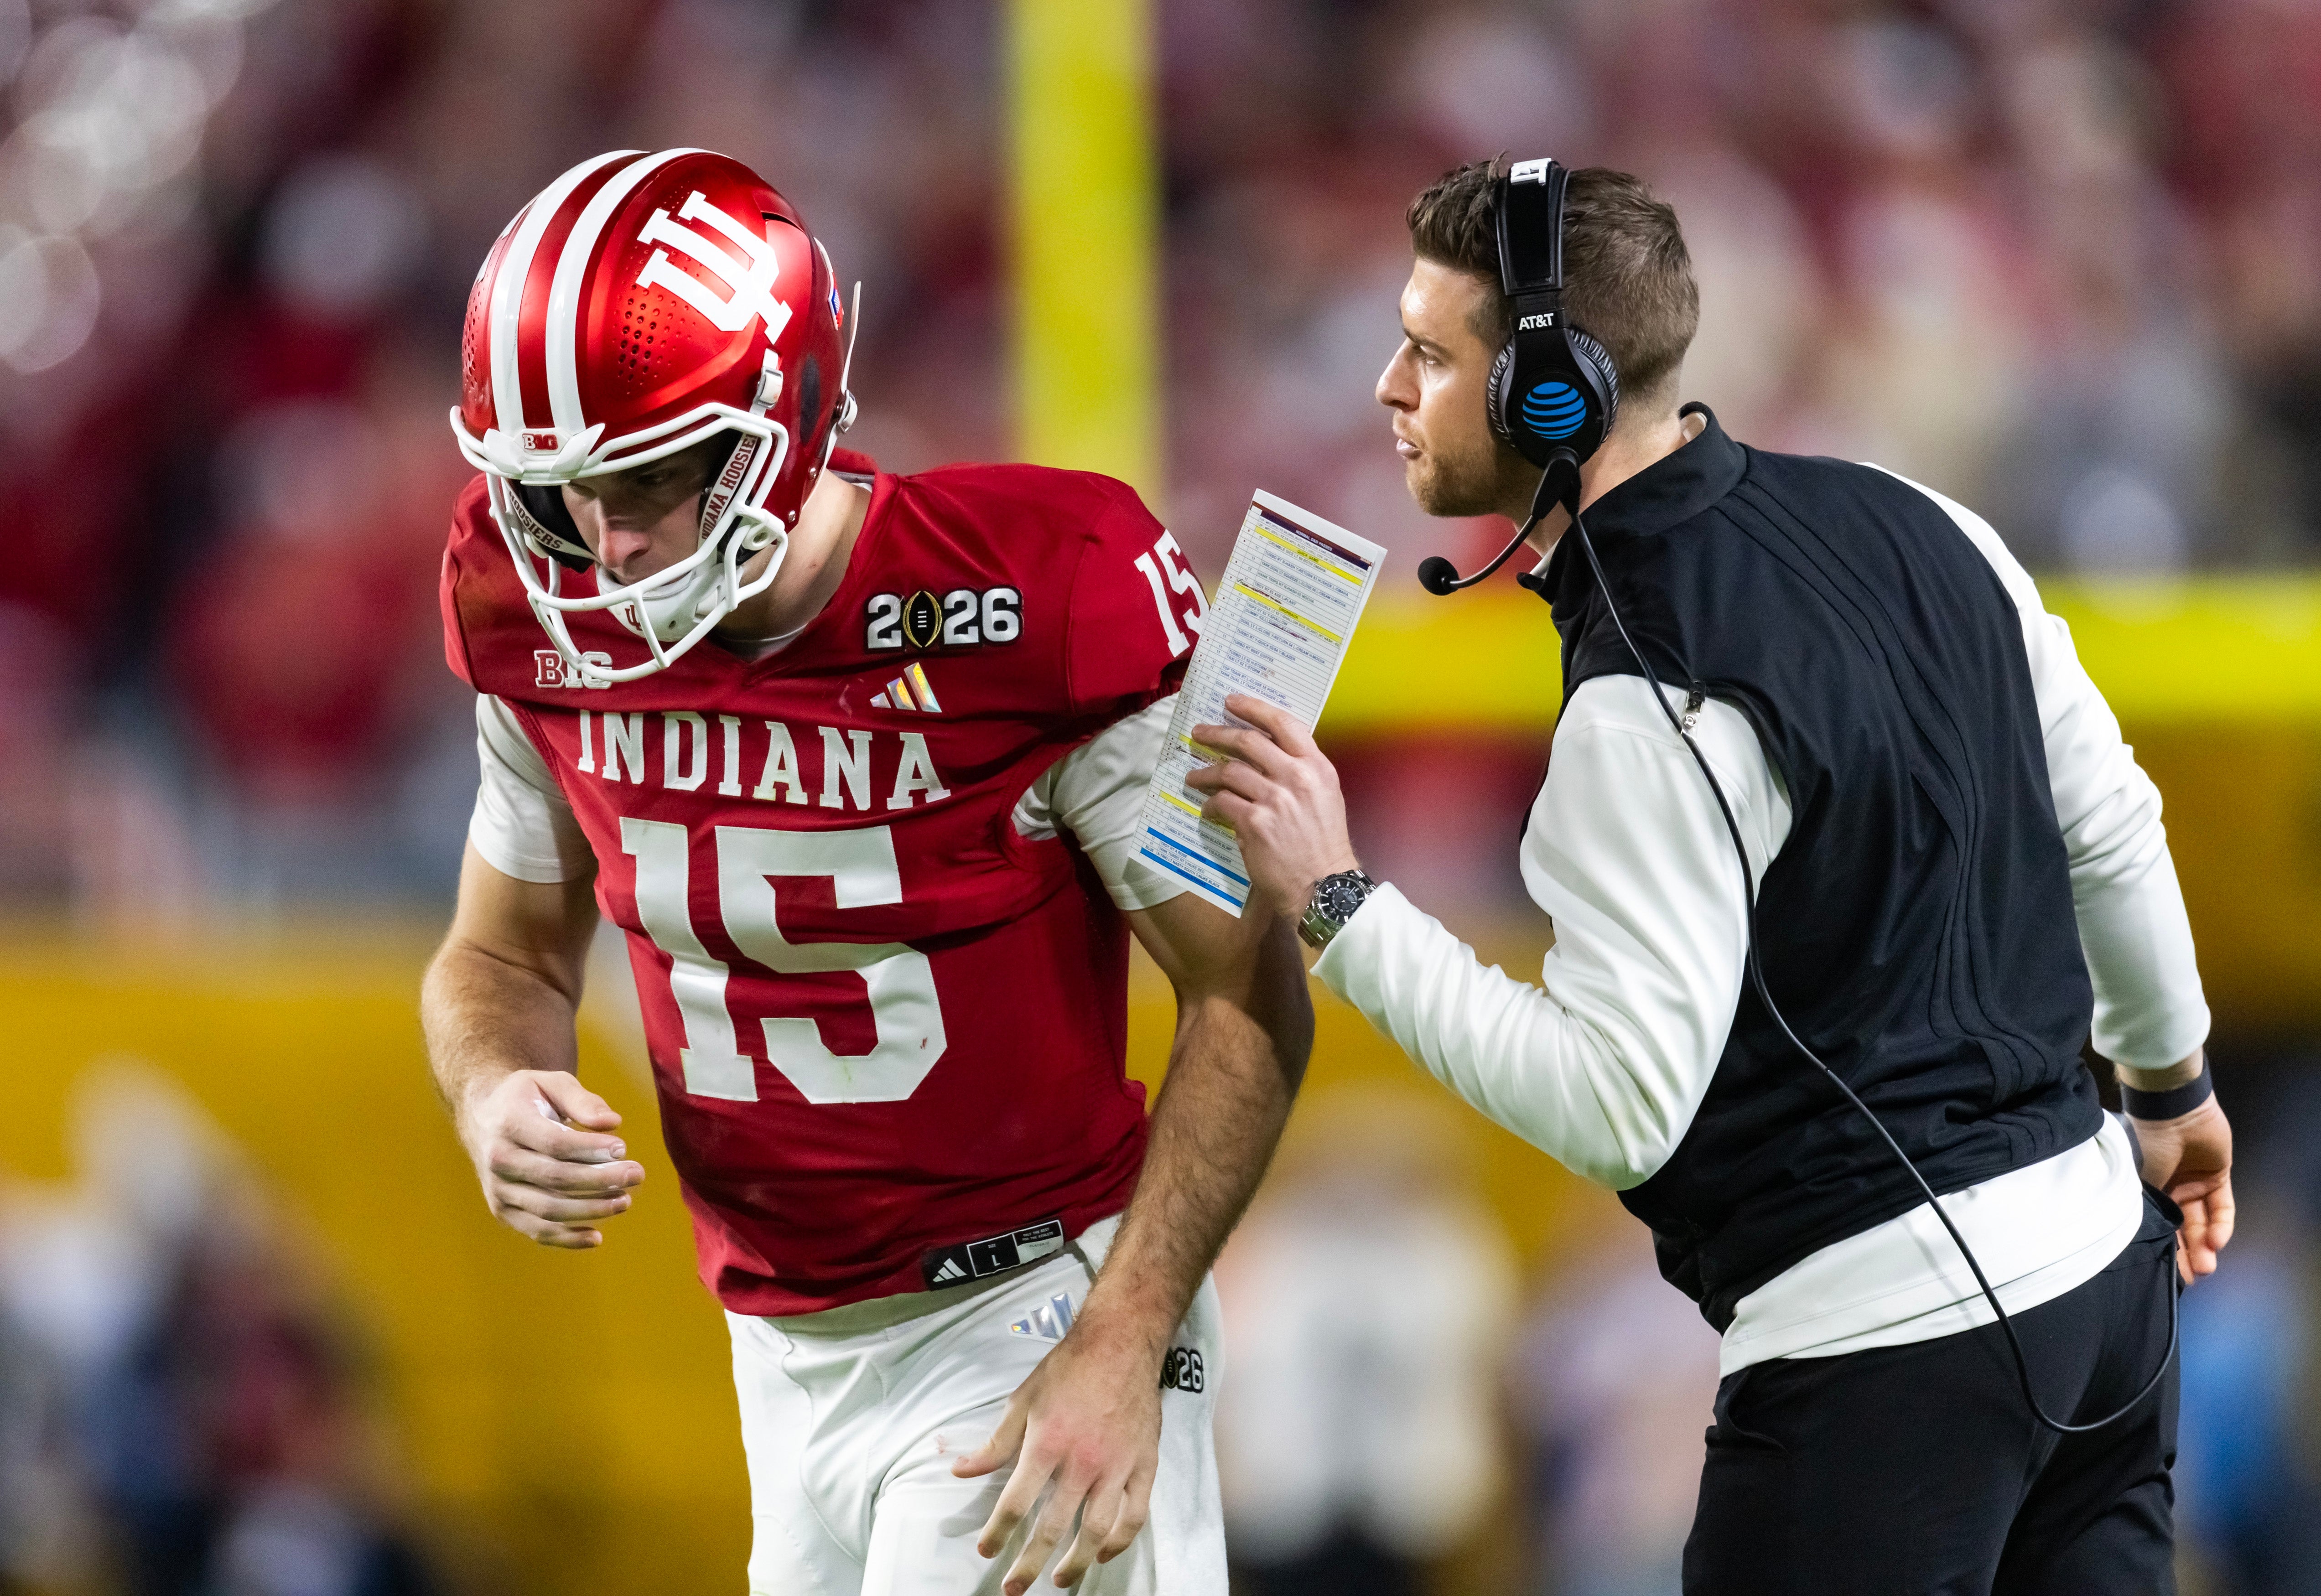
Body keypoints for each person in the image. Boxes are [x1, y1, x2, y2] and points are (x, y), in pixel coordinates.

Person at [1190, 155, 2234, 1593]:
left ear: (1545, 394)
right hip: (2101, 1280)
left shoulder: (1642, 699)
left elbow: (1618, 1105)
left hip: (1887, 1347)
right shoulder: (1913, 512)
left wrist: (1337, 902)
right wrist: (2170, 1085)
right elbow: (2111, 823)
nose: (1384, 385)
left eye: (1430, 353)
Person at [417, 148, 1310, 1596]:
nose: (606, 539)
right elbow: (502, 956)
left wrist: (1126, 1333)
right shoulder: (534, 615)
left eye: (644, 474)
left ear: (779, 418)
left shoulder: (1031, 600)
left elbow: (1246, 994)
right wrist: (488, 1084)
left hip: (1020, 1311)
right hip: (777, 1348)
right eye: (558, 489)